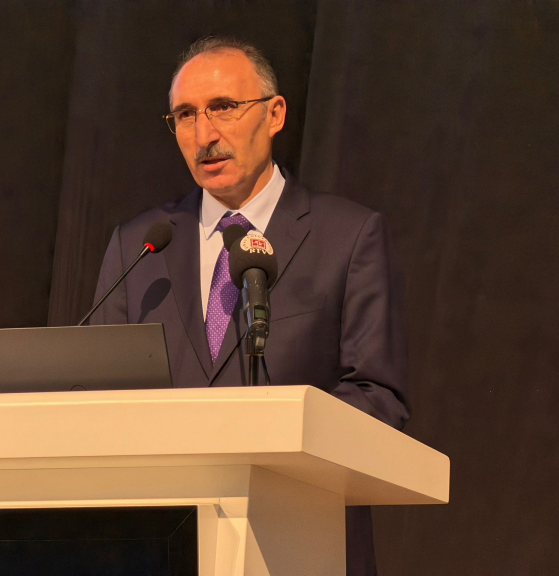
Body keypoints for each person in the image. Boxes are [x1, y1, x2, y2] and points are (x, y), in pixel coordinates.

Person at [92, 36, 410, 576]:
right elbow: (99, 396)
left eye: (223, 108)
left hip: (302, 539)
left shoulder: (348, 236)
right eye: (186, 115)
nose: (205, 135)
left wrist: (276, 438)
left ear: (275, 113)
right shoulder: (139, 245)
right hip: (165, 543)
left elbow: (378, 398)